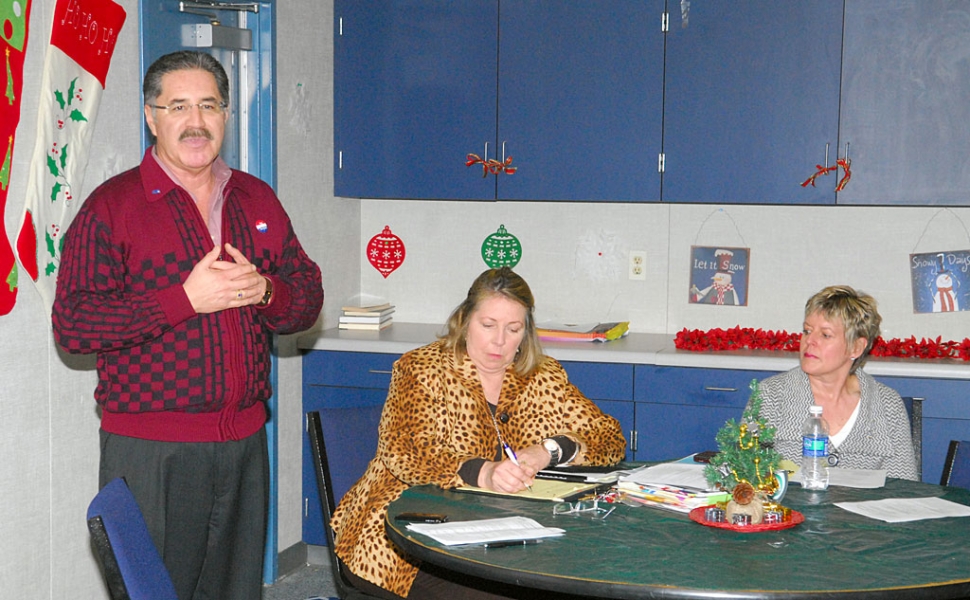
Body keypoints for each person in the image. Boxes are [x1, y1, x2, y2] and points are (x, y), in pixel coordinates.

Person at [52, 51, 323, 600]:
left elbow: (307, 299)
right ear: (152, 117)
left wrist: (267, 291)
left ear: (225, 115)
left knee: (235, 592)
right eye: (177, 106)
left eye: (208, 105)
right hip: (153, 453)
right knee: (155, 591)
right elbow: (74, 326)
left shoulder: (257, 198)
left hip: (246, 443)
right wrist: (182, 300)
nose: (195, 121)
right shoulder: (111, 208)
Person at [330, 267, 626, 600]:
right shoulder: (423, 368)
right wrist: (483, 472)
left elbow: (608, 436)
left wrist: (549, 451)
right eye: (488, 326)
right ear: (464, 321)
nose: (500, 341)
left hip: (506, 528)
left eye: (513, 329)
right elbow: (405, 452)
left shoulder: (543, 374)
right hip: (401, 540)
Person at [751, 285, 917, 480]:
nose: (809, 341)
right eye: (807, 331)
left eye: (825, 335)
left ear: (856, 347)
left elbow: (905, 489)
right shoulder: (771, 394)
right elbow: (746, 475)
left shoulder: (888, 404)